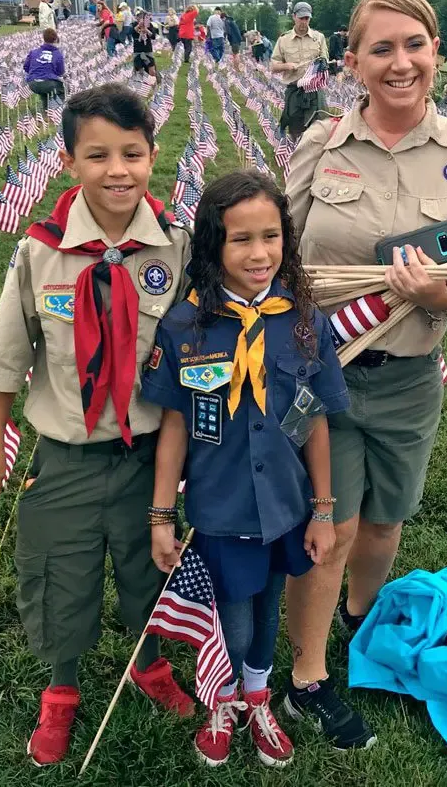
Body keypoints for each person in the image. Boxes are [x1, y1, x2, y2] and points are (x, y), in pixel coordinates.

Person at [283, 0, 447, 750]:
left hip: (410, 378)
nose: (400, 61)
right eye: (382, 48)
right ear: (354, 61)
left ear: (436, 52)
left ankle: (362, 627)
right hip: (326, 373)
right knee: (330, 529)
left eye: (415, 45)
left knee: (384, 522)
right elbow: (275, 254)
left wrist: (439, 292)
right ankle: (307, 676)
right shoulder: (322, 146)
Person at [0, 84, 194, 767]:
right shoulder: (40, 251)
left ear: (154, 154)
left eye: (132, 152)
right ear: (70, 161)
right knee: (58, 574)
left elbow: (196, 347)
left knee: (144, 569)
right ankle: (61, 686)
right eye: (97, 155)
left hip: (148, 455)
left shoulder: (176, 247)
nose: (117, 169)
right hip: (64, 454)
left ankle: (148, 660)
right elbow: (7, 351)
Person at [141, 169, 349, 768]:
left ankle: (257, 696)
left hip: (285, 505)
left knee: (267, 610)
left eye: (272, 236)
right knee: (231, 614)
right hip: (223, 507)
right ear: (214, 245)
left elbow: (315, 420)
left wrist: (324, 510)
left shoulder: (305, 320)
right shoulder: (186, 326)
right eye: (241, 240)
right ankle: (224, 699)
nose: (259, 254)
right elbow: (175, 426)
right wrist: (161, 516)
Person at [271, 2, 328, 138]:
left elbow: (325, 60)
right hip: (295, 91)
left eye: (307, 19)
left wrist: (322, 65)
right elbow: (273, 66)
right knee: (296, 130)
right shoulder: (283, 40)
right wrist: (286, 66)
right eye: (301, 18)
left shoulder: (319, 38)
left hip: (314, 91)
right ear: (294, 17)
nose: (304, 22)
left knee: (320, 129)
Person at [23, 28, 65, 112]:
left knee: (44, 93)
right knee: (60, 92)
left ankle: (45, 112)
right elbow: (61, 72)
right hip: (49, 83)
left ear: (43, 38)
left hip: (33, 83)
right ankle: (54, 111)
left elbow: (26, 67)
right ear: (55, 39)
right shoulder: (57, 54)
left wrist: (35, 73)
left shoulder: (34, 52)